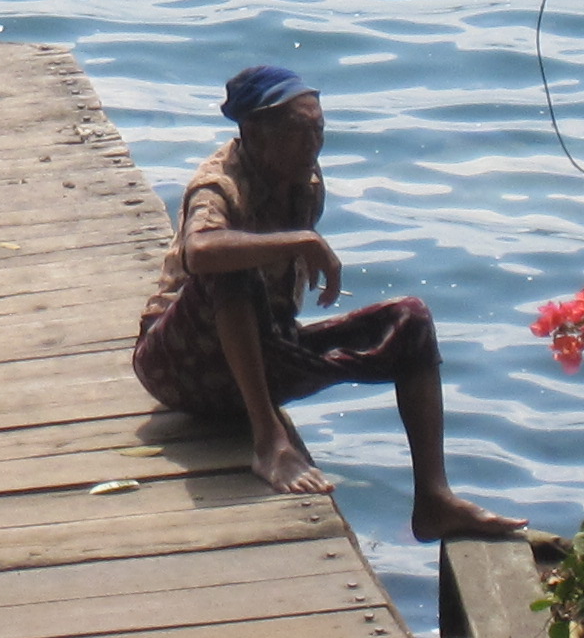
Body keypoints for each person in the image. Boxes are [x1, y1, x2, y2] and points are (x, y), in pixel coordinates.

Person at [130, 62, 528, 539]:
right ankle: (269, 441)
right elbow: (200, 251)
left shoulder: (305, 182)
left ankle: (434, 499)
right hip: (181, 365)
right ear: (254, 133)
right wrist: (302, 241)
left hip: (260, 351)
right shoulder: (219, 184)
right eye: (298, 133)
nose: (313, 145)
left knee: (411, 320)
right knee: (229, 264)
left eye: (318, 130)